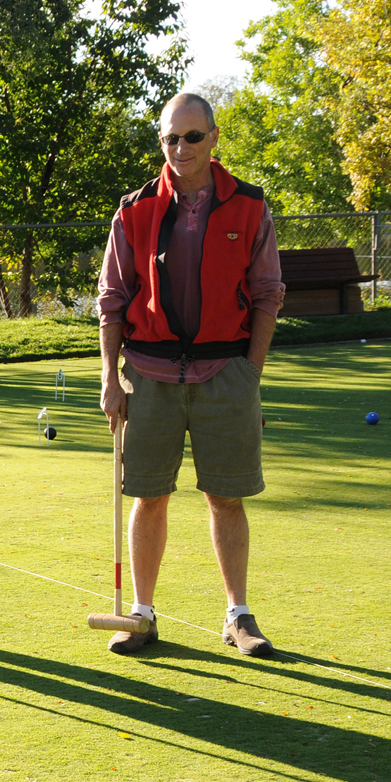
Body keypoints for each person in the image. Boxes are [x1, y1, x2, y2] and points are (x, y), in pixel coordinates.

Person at [96, 92, 285, 657]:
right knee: (148, 496)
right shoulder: (133, 209)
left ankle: (238, 615)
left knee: (226, 497)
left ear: (214, 137)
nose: (181, 147)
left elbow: (267, 294)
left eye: (193, 136)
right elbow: (112, 299)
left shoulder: (250, 205)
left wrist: (249, 373)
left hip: (226, 373)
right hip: (148, 374)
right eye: (171, 138)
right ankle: (141, 613)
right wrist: (110, 378)